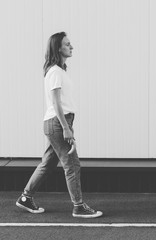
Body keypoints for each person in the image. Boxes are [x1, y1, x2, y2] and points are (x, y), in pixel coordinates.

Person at [16, 32, 103, 218]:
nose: (72, 47)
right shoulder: (55, 71)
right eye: (67, 44)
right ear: (58, 48)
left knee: (47, 164)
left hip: (56, 122)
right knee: (72, 164)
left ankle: (26, 197)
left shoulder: (60, 71)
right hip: (58, 122)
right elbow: (56, 103)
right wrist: (66, 128)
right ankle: (78, 206)